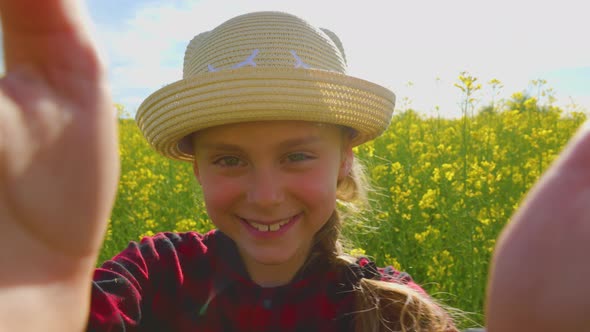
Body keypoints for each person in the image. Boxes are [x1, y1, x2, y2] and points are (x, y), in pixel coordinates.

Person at [0, 1, 588, 332]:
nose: (265, 193)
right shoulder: (157, 275)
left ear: (343, 164)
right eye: (229, 159)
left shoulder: (388, 308)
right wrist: (35, 300)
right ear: (196, 168)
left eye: (297, 156)